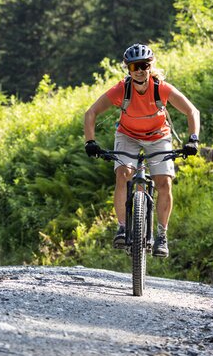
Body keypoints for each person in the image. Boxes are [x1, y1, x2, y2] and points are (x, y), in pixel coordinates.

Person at [82, 43, 200, 258]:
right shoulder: (121, 89)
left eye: (144, 65)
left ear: (150, 66)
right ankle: (122, 227)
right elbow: (91, 113)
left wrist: (193, 139)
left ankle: (162, 235)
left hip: (158, 136)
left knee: (164, 181)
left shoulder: (161, 88)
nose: (139, 70)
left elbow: (192, 111)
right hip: (128, 136)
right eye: (135, 66)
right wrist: (90, 142)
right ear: (128, 69)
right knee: (123, 174)